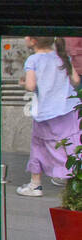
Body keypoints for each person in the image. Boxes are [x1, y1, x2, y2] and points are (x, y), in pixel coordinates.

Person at [17, 34, 81, 196]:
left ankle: (35, 184)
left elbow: (31, 87)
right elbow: (75, 79)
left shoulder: (33, 60)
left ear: (33, 40)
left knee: (38, 146)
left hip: (46, 112)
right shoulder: (61, 56)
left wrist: (24, 83)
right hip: (67, 109)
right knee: (71, 145)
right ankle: (73, 184)